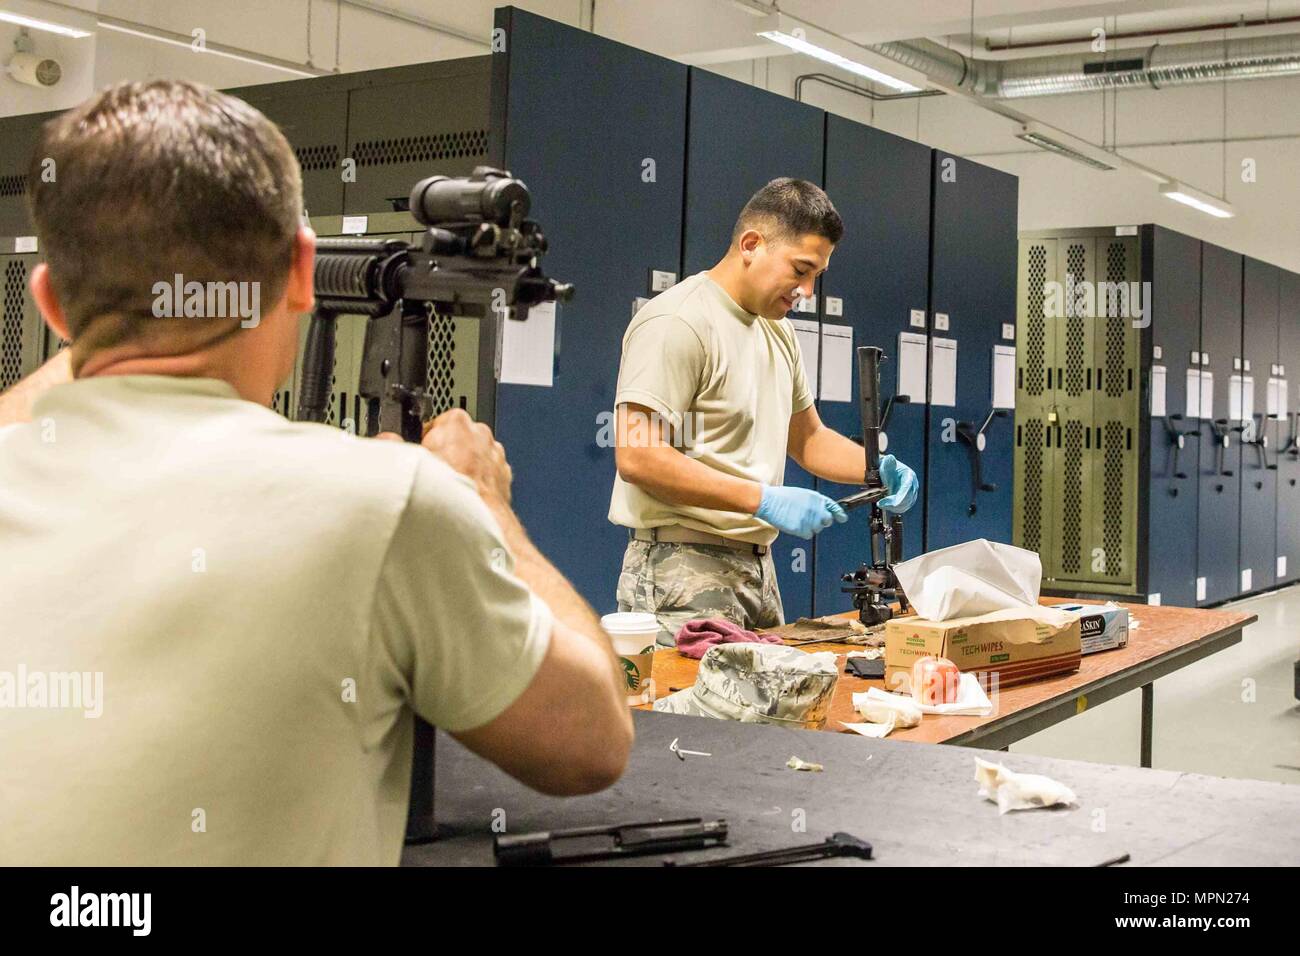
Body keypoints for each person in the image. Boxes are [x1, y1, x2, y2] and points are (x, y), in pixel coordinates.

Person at [0, 79, 632, 865]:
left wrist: (121, 309)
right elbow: (593, 738)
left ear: (50, 305)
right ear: (303, 271)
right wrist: (480, 501)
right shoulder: (385, 501)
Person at [609, 178, 918, 645]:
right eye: (801, 270)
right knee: (694, 716)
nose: (808, 291)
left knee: (767, 715)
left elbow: (808, 439)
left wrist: (876, 472)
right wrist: (763, 499)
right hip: (680, 568)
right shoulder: (679, 322)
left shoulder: (778, 333)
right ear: (751, 245)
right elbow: (638, 457)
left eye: (817, 275)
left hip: (757, 567)